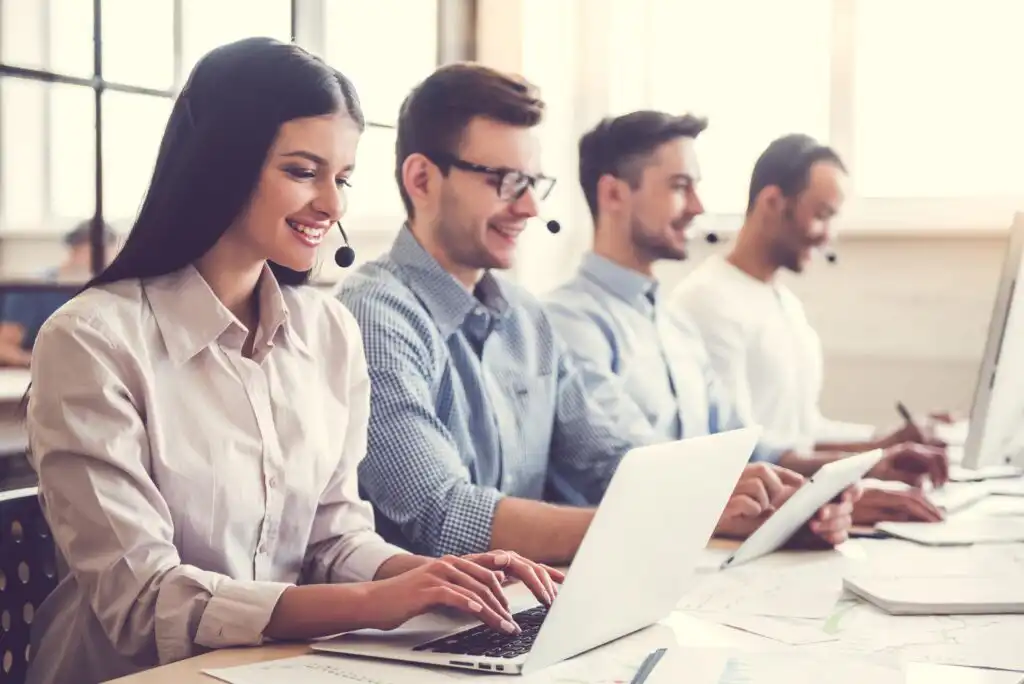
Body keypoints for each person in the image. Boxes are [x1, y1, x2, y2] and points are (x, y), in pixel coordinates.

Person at [24, 39, 561, 684]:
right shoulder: (91, 341)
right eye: (304, 172)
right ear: (223, 163)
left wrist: (429, 576)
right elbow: (144, 602)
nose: (333, 206)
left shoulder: (327, 330)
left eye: (342, 178)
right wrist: (371, 603)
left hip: (281, 668)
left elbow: (333, 540)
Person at [337, 64, 854, 565]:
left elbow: (607, 461)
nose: (530, 209)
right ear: (422, 180)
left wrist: (779, 507)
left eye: (534, 183)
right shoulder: (376, 316)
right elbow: (443, 515)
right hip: (408, 637)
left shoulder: (526, 318)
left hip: (518, 607)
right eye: (505, 181)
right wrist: (688, 513)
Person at [668, 132, 949, 523]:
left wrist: (883, 444)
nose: (827, 234)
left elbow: (800, 430)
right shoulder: (707, 301)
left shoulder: (784, 304)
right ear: (771, 202)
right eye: (821, 215)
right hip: (759, 516)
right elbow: (745, 452)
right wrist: (867, 471)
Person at [0, 220, 117, 367]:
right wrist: (44, 365)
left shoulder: (102, 292)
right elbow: (3, 347)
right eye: (95, 253)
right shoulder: (35, 288)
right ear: (75, 250)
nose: (103, 261)